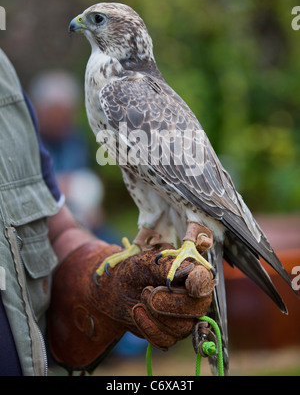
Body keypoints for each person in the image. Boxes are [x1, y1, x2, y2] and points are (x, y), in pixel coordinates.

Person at [0, 48, 215, 376]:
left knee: (123, 257)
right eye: (56, 110)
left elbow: (55, 228)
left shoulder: (9, 92)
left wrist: (99, 285)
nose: (63, 116)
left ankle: (129, 347)